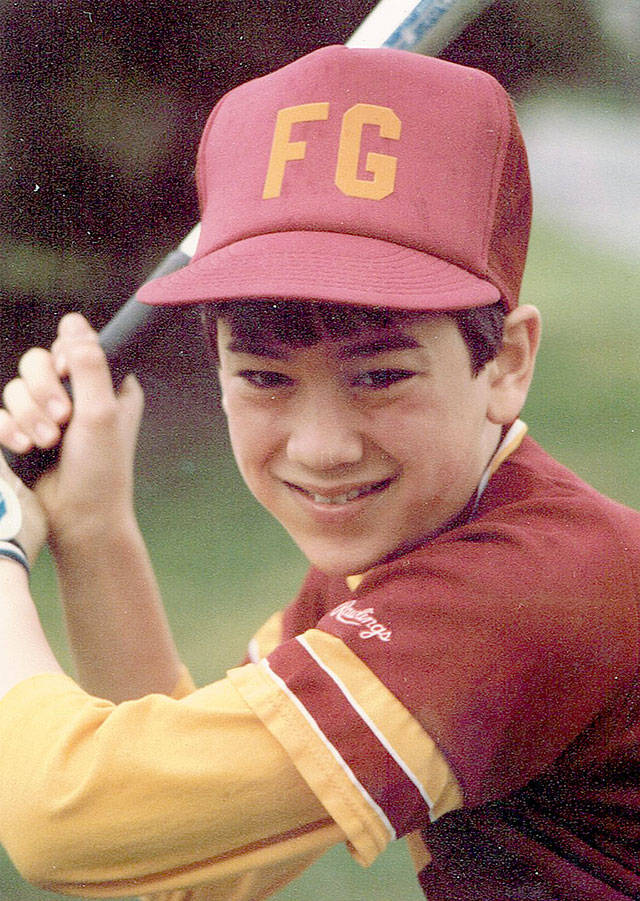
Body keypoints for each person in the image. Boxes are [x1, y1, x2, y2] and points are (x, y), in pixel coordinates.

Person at [0, 44, 639, 901]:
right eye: (264, 377)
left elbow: (68, 821)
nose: (321, 446)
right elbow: (181, 870)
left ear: (508, 362)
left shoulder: (527, 590)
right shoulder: (419, 550)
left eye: (380, 375)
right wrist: (93, 528)